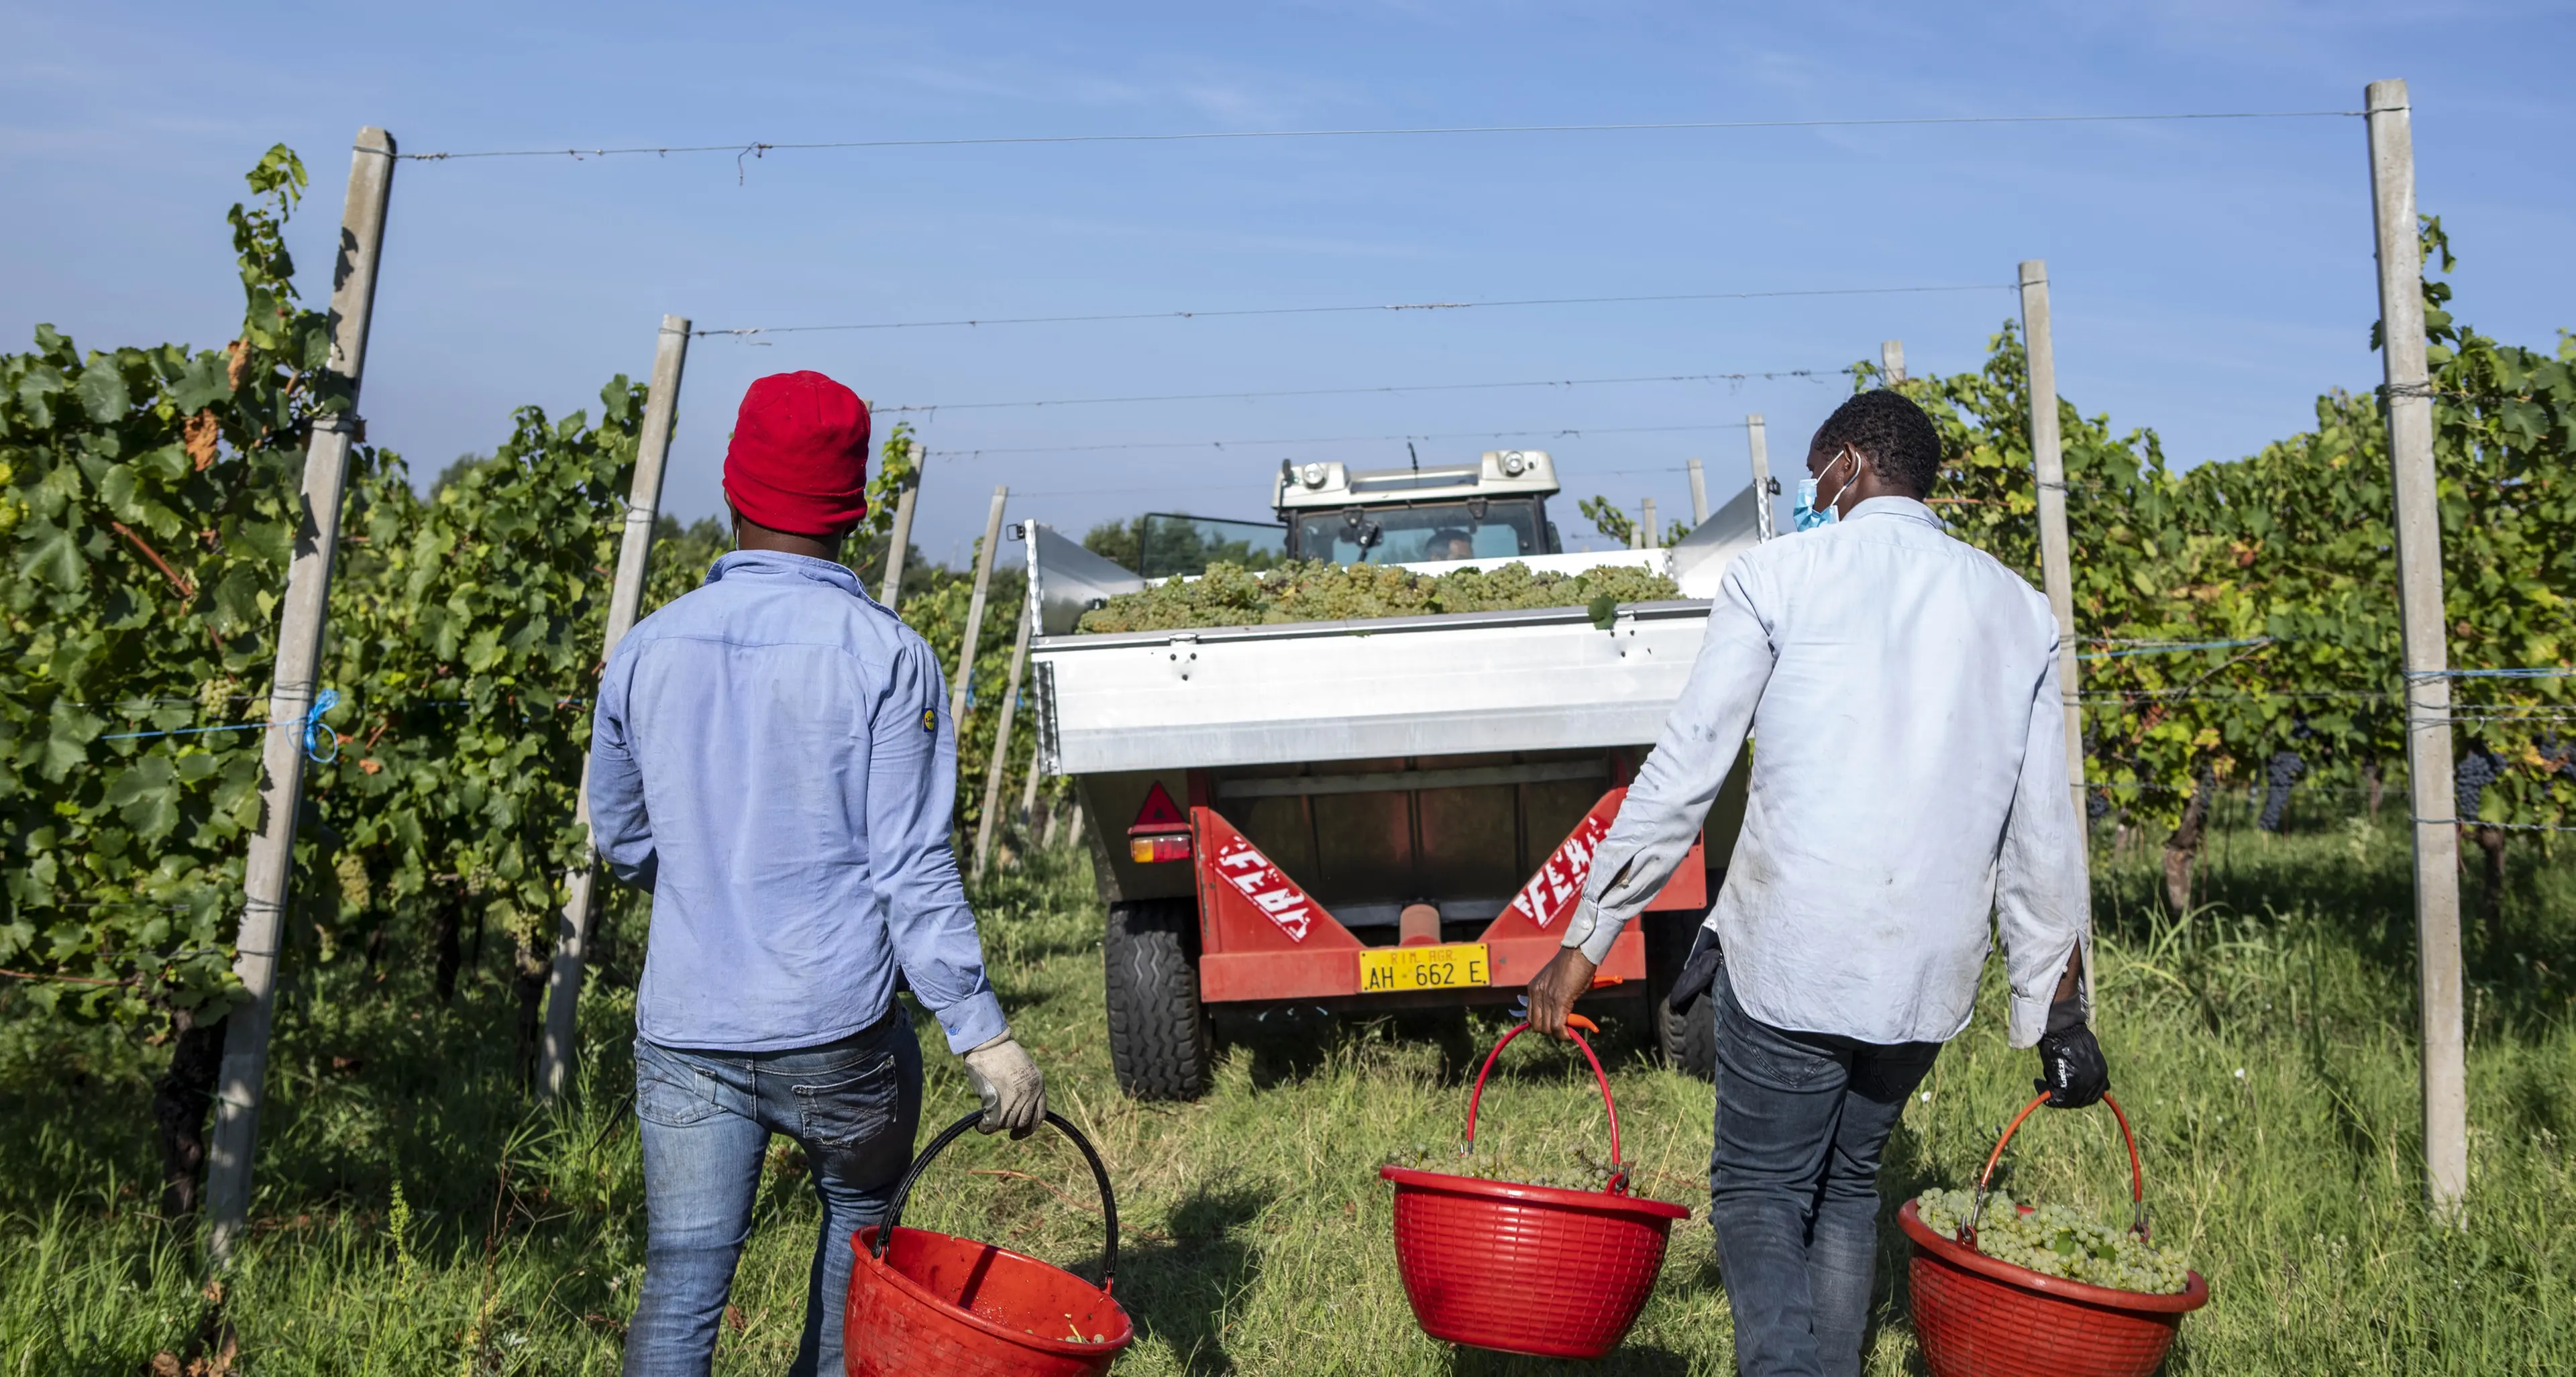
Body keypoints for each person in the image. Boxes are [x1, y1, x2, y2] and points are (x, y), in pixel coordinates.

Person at [1524, 389, 2104, 1377]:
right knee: (1846, 1185)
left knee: (1757, 1190)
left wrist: (1584, 943)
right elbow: (2045, 825)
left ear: (1847, 466)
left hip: (1795, 948)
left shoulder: (1780, 576)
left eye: (1815, 473)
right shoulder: (2019, 607)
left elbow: (1685, 771)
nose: (1811, 493)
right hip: (1928, 974)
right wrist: (2057, 1008)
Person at [588, 370, 1049, 1377]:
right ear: (855, 510)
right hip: (838, 1034)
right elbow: (911, 866)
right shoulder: (888, 655)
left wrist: (716, 881)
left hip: (686, 1033)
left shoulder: (646, 651)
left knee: (682, 1281)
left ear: (731, 488)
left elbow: (620, 838)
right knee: (858, 1242)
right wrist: (986, 1036)